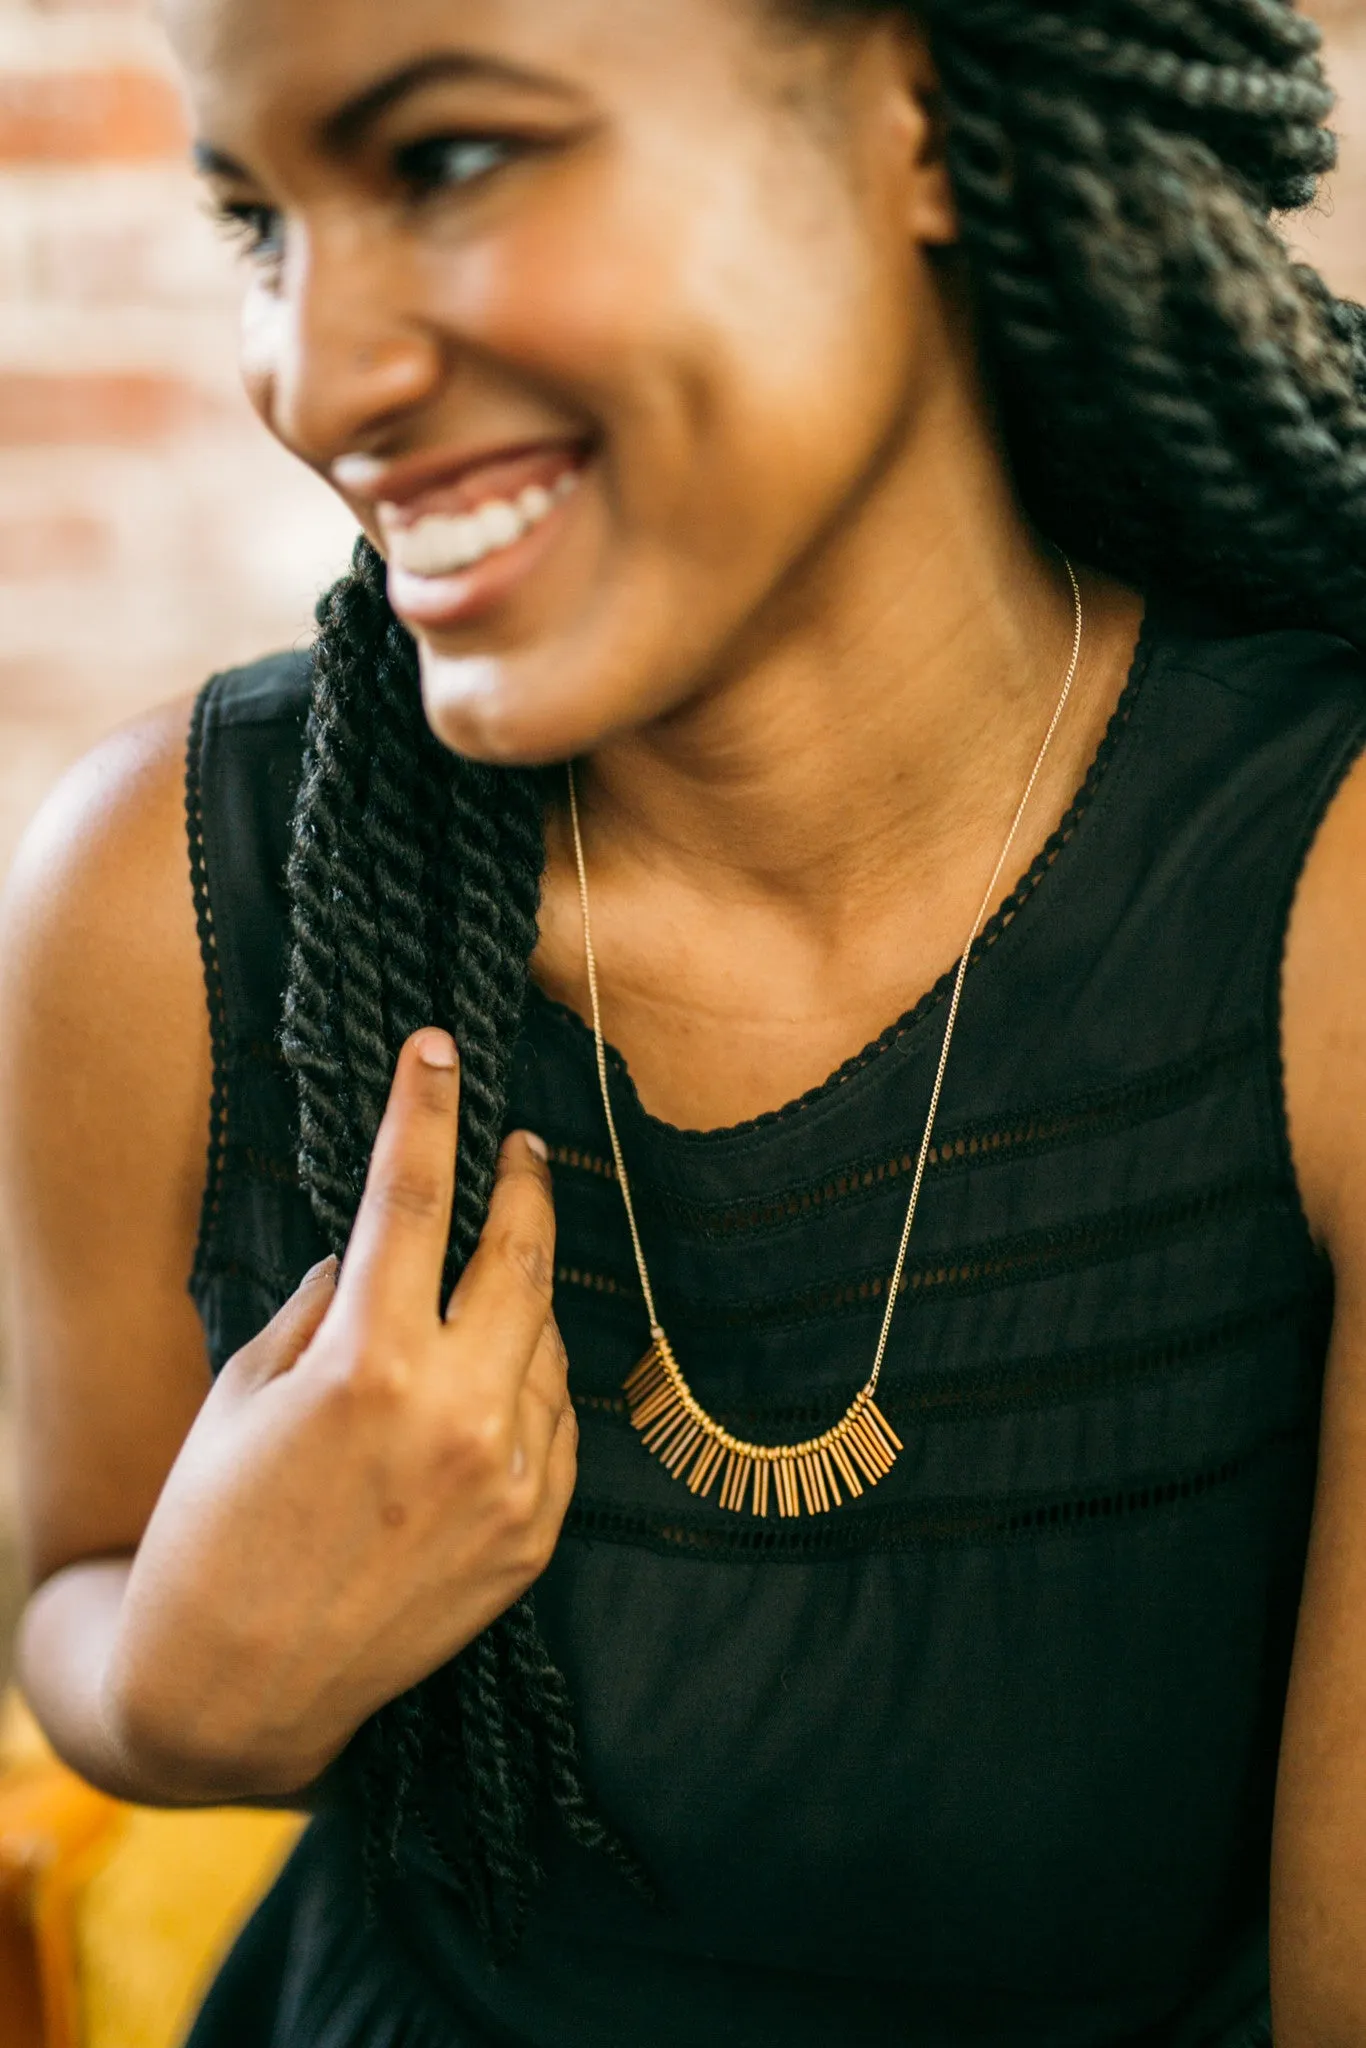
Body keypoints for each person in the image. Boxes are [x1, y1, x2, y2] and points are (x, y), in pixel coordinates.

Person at [3, 0, 1366, 2040]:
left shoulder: (1320, 894)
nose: (311, 370)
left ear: (920, 113)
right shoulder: (157, 899)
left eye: (448, 161)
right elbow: (70, 1599)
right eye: (261, 222)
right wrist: (192, 1689)